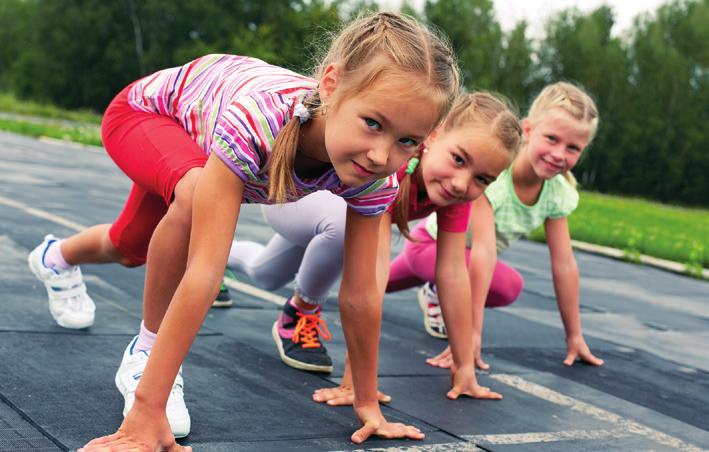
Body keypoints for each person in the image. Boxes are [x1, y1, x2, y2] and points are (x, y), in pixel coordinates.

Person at [28, 12, 461, 451]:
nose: (380, 154)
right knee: (193, 196)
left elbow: (361, 293)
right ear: (331, 85)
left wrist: (367, 402)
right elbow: (205, 270)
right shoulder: (261, 120)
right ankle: (145, 357)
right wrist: (147, 408)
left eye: (407, 141)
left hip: (194, 147)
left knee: (127, 246)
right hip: (145, 116)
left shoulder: (378, 177)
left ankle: (54, 258)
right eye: (373, 123)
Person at [229, 92, 522, 402]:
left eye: (483, 179)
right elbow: (371, 279)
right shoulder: (391, 168)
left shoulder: (456, 194)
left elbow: (452, 273)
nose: (463, 183)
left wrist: (465, 368)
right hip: (289, 198)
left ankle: (226, 258)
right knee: (345, 230)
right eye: (458, 159)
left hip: (322, 218)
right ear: (434, 136)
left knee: (265, 273)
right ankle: (301, 310)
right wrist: (355, 382)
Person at [408, 82, 605, 373]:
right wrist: (470, 333)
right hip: (431, 246)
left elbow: (564, 265)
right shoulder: (493, 177)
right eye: (551, 138)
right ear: (528, 130)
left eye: (573, 147)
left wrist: (574, 335)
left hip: (456, 260)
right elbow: (483, 252)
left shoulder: (557, 193)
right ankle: (437, 289)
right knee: (501, 281)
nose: (559, 154)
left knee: (507, 287)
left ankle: (432, 288)